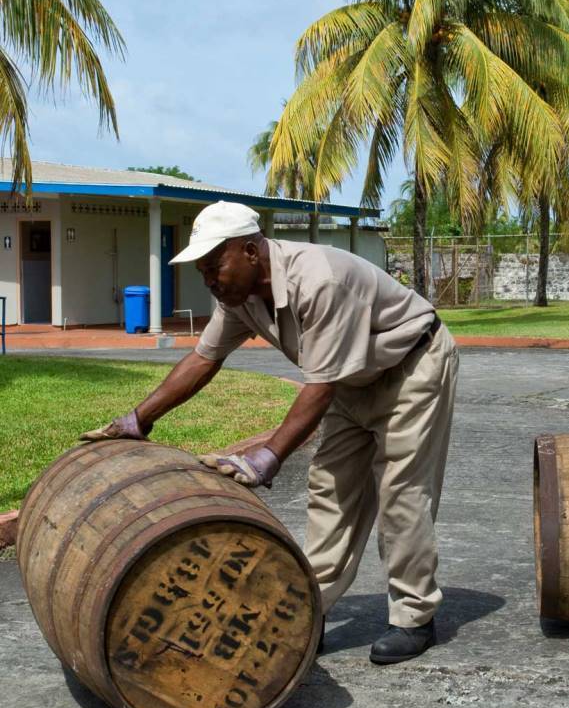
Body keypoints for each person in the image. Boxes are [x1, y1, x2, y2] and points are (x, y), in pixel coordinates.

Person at [82, 201, 459, 664]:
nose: (209, 280)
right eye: (202, 271)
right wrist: (138, 420)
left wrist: (267, 457)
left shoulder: (319, 280)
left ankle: (413, 616)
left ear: (250, 251)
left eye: (214, 266)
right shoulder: (238, 298)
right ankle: (309, 609)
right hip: (349, 379)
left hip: (410, 368)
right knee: (330, 490)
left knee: (402, 493)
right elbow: (203, 359)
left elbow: (319, 386)